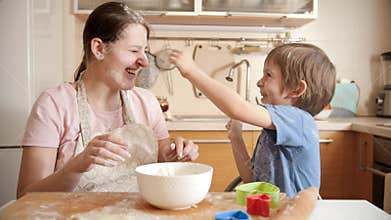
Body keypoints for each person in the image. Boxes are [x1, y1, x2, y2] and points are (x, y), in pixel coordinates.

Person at [17, 2, 198, 197]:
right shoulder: (54, 104)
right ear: (99, 48)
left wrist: (176, 153)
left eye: (144, 51)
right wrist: (75, 167)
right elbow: (27, 196)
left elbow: (163, 161)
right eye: (134, 50)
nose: (144, 61)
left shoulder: (146, 102)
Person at [170, 43, 336, 198]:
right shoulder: (275, 130)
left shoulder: (300, 120)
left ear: (296, 89)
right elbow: (251, 181)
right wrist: (236, 137)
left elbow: (238, 108)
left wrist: (191, 71)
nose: (259, 82)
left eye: (268, 75)